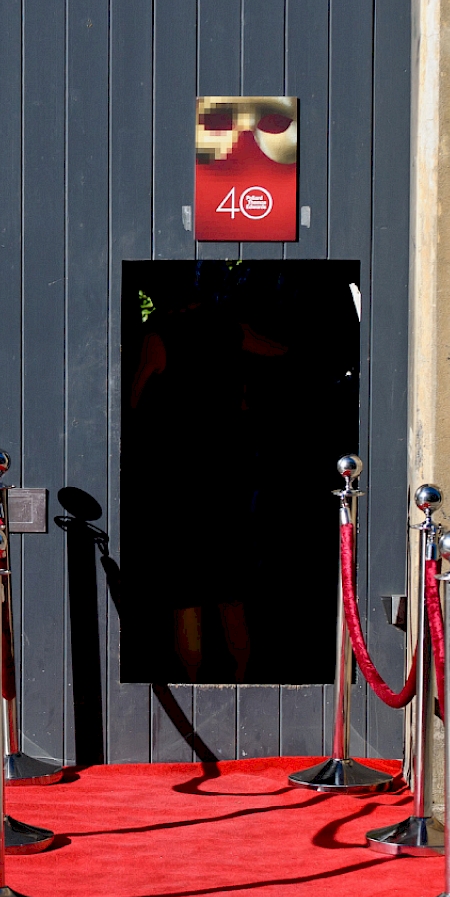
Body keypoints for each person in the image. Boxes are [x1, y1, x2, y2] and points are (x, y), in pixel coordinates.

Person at [129, 272, 286, 682]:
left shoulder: (158, 337)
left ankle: (193, 684)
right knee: (231, 588)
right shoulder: (232, 329)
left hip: (180, 477)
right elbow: (281, 352)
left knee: (187, 592)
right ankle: (242, 678)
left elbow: (134, 400)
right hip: (229, 474)